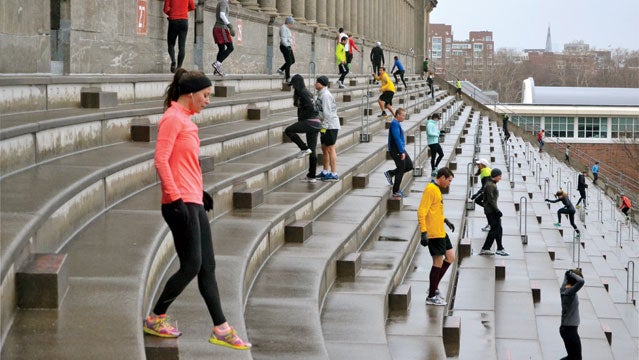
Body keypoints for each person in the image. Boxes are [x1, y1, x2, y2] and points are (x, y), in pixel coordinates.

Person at [145, 69, 251, 350]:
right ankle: (156, 317)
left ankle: (221, 328)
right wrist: (176, 197)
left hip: (192, 199)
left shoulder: (186, 120)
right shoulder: (172, 118)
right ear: (190, 94)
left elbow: (183, 163)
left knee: (208, 267)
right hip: (180, 204)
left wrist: (200, 193)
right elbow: (161, 160)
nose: (208, 101)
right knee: (192, 265)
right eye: (205, 96)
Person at [417, 167, 456, 306]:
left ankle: (433, 287)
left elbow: (435, 210)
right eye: (449, 181)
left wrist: (445, 220)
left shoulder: (437, 189)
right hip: (434, 234)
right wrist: (423, 232)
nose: (449, 183)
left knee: (451, 257)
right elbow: (422, 211)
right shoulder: (431, 189)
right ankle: (431, 296)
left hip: (441, 231)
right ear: (443, 177)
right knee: (437, 263)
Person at [284, 74, 322, 183]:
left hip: (310, 122)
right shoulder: (306, 92)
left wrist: (303, 118)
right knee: (312, 150)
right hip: (315, 124)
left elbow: (310, 107)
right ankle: (312, 176)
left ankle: (303, 148)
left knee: (288, 130)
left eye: (294, 85)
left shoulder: (303, 93)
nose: (293, 88)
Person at [383, 108, 413, 198]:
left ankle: (390, 173)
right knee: (401, 169)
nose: (404, 117)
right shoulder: (394, 124)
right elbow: (396, 138)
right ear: (398, 115)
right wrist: (401, 151)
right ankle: (396, 191)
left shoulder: (397, 124)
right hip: (396, 150)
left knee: (409, 166)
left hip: (400, 149)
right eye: (403, 115)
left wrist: (402, 150)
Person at [314, 75, 340, 182]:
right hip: (325, 125)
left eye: (317, 82)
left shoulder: (325, 96)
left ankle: (334, 173)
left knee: (330, 148)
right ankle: (325, 171)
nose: (315, 84)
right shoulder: (321, 94)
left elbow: (328, 114)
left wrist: (324, 127)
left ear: (322, 84)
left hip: (330, 126)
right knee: (324, 148)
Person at [479, 168, 509, 256]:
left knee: (498, 229)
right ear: (495, 176)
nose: (500, 178)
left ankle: (500, 248)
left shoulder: (492, 184)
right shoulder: (490, 185)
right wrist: (497, 211)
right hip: (491, 211)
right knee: (494, 229)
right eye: (499, 176)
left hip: (492, 210)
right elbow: (491, 200)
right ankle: (485, 248)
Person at [163, 0, 196, 73]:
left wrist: (171, 13)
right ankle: (179, 67)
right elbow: (193, 7)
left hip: (173, 20)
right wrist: (184, 11)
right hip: (184, 21)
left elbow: (165, 9)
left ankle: (173, 61)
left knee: (171, 44)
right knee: (182, 46)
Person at [559, 268, 585, 360]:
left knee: (572, 357)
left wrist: (568, 274)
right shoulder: (570, 292)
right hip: (569, 330)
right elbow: (581, 281)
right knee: (576, 358)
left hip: (568, 329)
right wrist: (571, 273)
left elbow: (568, 279)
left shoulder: (564, 289)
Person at [211, 0, 235, 77]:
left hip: (218, 28)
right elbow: (222, 14)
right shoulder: (223, 2)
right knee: (230, 47)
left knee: (221, 49)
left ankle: (217, 70)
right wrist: (230, 25)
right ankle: (217, 64)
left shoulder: (223, 2)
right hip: (221, 28)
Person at [471, 159, 492, 232]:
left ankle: (491, 224)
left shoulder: (485, 172)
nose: (477, 165)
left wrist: (477, 194)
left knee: (478, 201)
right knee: (482, 204)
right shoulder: (485, 170)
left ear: (482, 165)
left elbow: (485, 186)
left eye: (479, 164)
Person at [277, 16, 295, 84]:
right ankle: (287, 77)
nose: (292, 25)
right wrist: (287, 46)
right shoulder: (283, 28)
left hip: (288, 46)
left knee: (292, 60)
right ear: (289, 23)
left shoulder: (286, 28)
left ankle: (281, 69)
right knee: (289, 61)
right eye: (292, 23)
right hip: (285, 46)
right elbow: (283, 38)